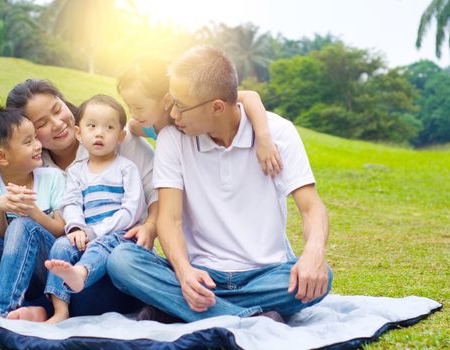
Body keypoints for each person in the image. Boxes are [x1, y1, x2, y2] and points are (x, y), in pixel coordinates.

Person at [107, 46, 333, 323]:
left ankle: (177, 308)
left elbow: (312, 208)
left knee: (320, 278)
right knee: (122, 261)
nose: (173, 113)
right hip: (201, 273)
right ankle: (250, 318)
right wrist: (184, 272)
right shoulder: (172, 137)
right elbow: (170, 218)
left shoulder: (278, 133)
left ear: (216, 107)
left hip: (264, 275)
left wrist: (314, 252)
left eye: (179, 105)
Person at [0, 79, 156, 320]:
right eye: (41, 124)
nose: (58, 123)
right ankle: (37, 305)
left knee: (90, 289)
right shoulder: (36, 160)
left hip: (105, 254)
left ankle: (43, 307)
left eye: (57, 109)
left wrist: (150, 225)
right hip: (56, 257)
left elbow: (157, 193)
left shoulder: (108, 133)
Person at [44, 95, 147, 323]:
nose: (99, 133)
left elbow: (131, 211)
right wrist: (77, 229)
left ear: (121, 136)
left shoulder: (125, 169)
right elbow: (70, 203)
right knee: (61, 245)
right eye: (92, 126)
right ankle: (60, 310)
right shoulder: (76, 171)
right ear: (79, 133)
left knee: (104, 244)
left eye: (109, 127)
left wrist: (95, 232)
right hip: (86, 234)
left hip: (117, 235)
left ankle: (81, 273)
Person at [0, 106, 66, 331]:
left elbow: (62, 231)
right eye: (28, 142)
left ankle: (3, 310)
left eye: (35, 138)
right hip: (11, 267)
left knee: (21, 225)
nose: (38, 145)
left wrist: (34, 213)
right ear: (1, 156)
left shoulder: (53, 179)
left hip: (46, 266)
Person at [117, 57, 283, 177]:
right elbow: (131, 127)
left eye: (138, 107)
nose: (133, 113)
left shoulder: (190, 108)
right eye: (128, 106)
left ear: (166, 100)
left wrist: (264, 138)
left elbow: (250, 96)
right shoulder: (141, 125)